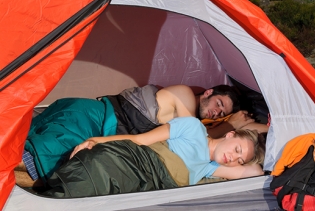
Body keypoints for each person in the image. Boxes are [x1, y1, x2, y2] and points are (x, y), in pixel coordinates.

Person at [16, 84, 267, 187]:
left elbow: (217, 143)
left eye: (221, 112)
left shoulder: (202, 130)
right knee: (45, 153)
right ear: (209, 91)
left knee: (48, 157)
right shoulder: (186, 96)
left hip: (104, 128)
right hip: (95, 117)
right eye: (218, 103)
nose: (215, 111)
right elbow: (204, 136)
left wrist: (266, 128)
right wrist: (231, 124)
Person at [25, 117, 266, 197]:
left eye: (239, 159)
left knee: (106, 188)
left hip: (152, 181)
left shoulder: (210, 168)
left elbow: (255, 172)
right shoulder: (192, 127)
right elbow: (140, 140)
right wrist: (97, 140)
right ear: (230, 135)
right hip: (138, 158)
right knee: (98, 164)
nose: (233, 159)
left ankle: (48, 199)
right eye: (237, 149)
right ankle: (47, 193)